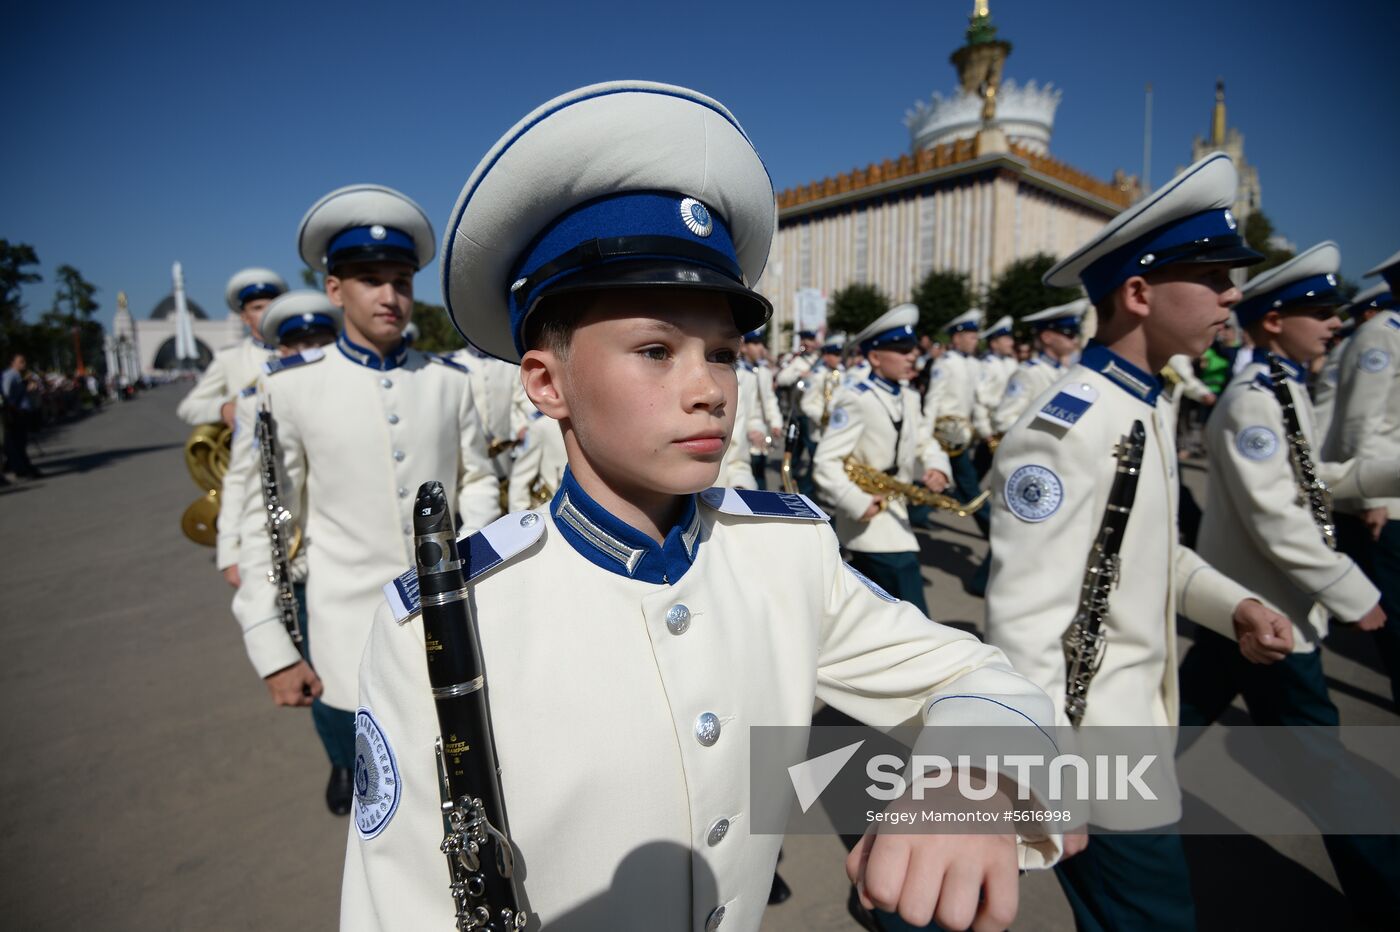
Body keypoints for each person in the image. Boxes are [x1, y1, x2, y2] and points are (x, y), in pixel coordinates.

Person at [343, 81, 1062, 932]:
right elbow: (396, 909)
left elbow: (979, 672)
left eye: (722, 353)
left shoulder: (782, 553)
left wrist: (966, 780)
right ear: (547, 382)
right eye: (655, 350)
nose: (709, 391)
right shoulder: (444, 617)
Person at [985, 152, 1294, 932]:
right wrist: (1045, 785)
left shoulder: (1143, 405)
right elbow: (1025, 626)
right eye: (1216, 276)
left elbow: (1145, 560)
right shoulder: (1068, 429)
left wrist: (1237, 603)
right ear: (1138, 294)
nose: (1234, 294)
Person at [232, 184, 499, 816]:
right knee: (376, 809)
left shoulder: (448, 381)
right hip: (344, 633)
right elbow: (267, 524)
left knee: (465, 789)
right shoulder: (290, 389)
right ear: (333, 289)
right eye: (371, 280)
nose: (390, 296)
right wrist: (271, 646)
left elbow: (481, 481)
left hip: (450, 621)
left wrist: (479, 567)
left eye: (402, 280)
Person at [1180, 242, 1400, 925]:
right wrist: (1355, 594)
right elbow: (1278, 518)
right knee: (1327, 771)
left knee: (1167, 727)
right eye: (1319, 312)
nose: (1335, 324)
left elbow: (1310, 483)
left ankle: (1073, 806)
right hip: (1270, 615)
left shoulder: (1283, 386)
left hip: (1246, 613)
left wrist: (1384, 477)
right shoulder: (1254, 399)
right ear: (1273, 321)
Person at [812, 304, 952, 615]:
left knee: (879, 612)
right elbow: (825, 462)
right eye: (901, 350)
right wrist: (857, 501)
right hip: (871, 517)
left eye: (912, 348)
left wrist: (936, 466)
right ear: (875, 358)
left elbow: (924, 441)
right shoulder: (856, 398)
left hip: (895, 509)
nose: (912, 355)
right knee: (911, 609)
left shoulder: (909, 396)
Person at [1323, 247, 1400, 710]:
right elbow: (1360, 423)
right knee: (1393, 606)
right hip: (1383, 500)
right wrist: (1374, 497)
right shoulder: (1380, 336)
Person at [175, 268, 287, 427]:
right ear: (245, 317)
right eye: (257, 308)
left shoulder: (300, 352)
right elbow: (187, 408)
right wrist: (223, 408)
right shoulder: (229, 359)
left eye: (271, 306)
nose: (266, 313)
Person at [990, 299, 1086, 435]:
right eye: (1069, 334)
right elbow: (1004, 419)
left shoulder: (1064, 371)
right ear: (1047, 337)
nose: (1075, 340)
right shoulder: (1028, 372)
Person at [739, 329, 782, 489]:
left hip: (761, 428)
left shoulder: (764, 372)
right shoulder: (737, 373)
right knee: (744, 473)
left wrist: (776, 422)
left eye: (761, 344)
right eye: (755, 344)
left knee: (759, 472)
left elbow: (770, 399)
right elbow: (737, 408)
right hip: (743, 429)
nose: (760, 348)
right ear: (743, 347)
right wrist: (748, 431)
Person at [972, 315, 1016, 453]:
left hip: (1010, 428)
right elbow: (980, 399)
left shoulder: (1012, 363)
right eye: (1006, 339)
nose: (1011, 343)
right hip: (993, 431)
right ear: (994, 343)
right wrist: (985, 432)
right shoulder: (987, 365)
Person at [1, 354, 39, 479]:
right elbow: (6, 396)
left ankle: (20, 468)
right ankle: (22, 468)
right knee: (17, 443)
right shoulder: (10, 376)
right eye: (21, 361)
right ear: (12, 363)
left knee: (20, 443)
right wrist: (14, 410)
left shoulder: (18, 376)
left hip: (19, 413)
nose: (24, 364)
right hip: (15, 413)